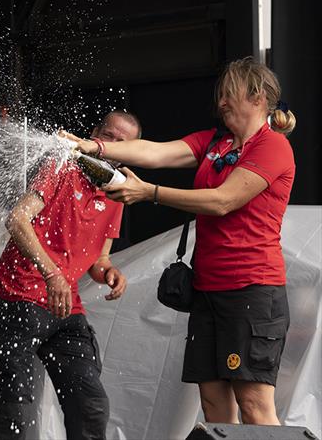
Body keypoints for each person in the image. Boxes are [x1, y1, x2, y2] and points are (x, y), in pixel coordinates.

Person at [67, 58, 296, 426]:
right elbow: (154, 152)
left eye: (228, 94)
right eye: (219, 94)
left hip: (252, 290)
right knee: (213, 403)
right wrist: (93, 146)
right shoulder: (214, 143)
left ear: (257, 97)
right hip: (207, 291)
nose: (220, 102)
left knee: (254, 404)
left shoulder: (273, 147)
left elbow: (222, 200)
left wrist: (149, 193)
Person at [0, 110, 141, 440]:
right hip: (19, 297)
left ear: (132, 151)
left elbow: (99, 260)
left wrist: (109, 272)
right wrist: (53, 273)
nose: (111, 144)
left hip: (65, 305)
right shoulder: (62, 164)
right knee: (14, 407)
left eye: (121, 142)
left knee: (91, 405)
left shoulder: (118, 193)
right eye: (108, 135)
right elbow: (16, 220)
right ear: (93, 134)